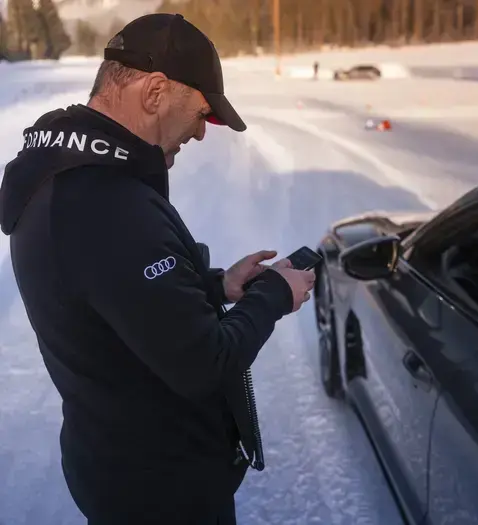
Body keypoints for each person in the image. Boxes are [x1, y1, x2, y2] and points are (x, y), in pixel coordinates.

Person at [0, 13, 316, 525]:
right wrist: (276, 293)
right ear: (155, 92)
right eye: (200, 113)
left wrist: (216, 286)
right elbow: (205, 364)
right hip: (161, 493)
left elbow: (119, 302)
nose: (199, 133)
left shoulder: (69, 177)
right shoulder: (105, 204)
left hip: (120, 467)